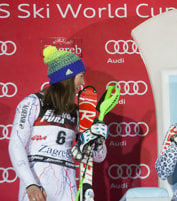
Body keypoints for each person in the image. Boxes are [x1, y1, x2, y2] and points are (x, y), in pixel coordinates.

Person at [9, 46, 108, 201]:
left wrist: (99, 140)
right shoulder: (33, 102)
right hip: (38, 184)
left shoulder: (77, 112)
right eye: (80, 76)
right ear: (68, 76)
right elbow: (16, 144)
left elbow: (98, 157)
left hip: (66, 187)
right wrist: (30, 184)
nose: (82, 83)